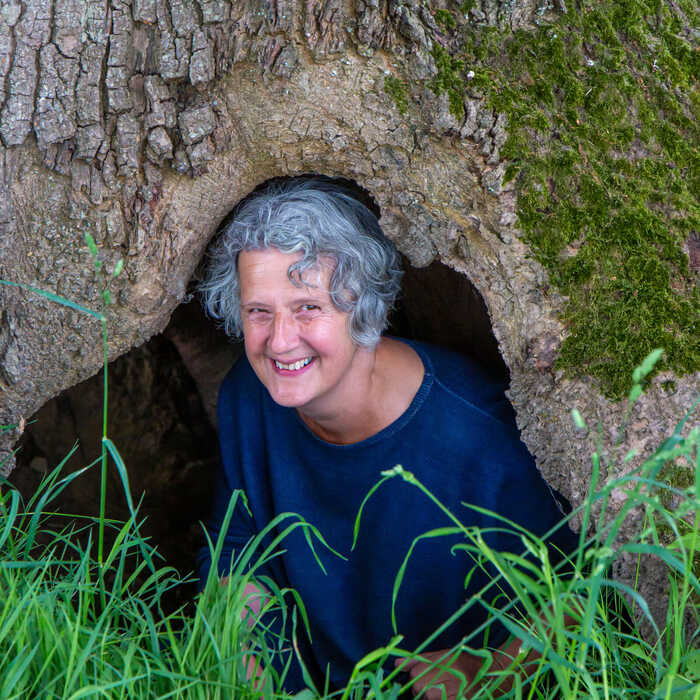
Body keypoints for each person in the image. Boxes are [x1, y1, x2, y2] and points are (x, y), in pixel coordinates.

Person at [198, 176, 577, 698]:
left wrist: (485, 671)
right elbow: (238, 558)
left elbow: (577, 595)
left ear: (364, 305)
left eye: (308, 307)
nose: (280, 341)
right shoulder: (251, 394)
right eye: (259, 311)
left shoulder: (476, 435)